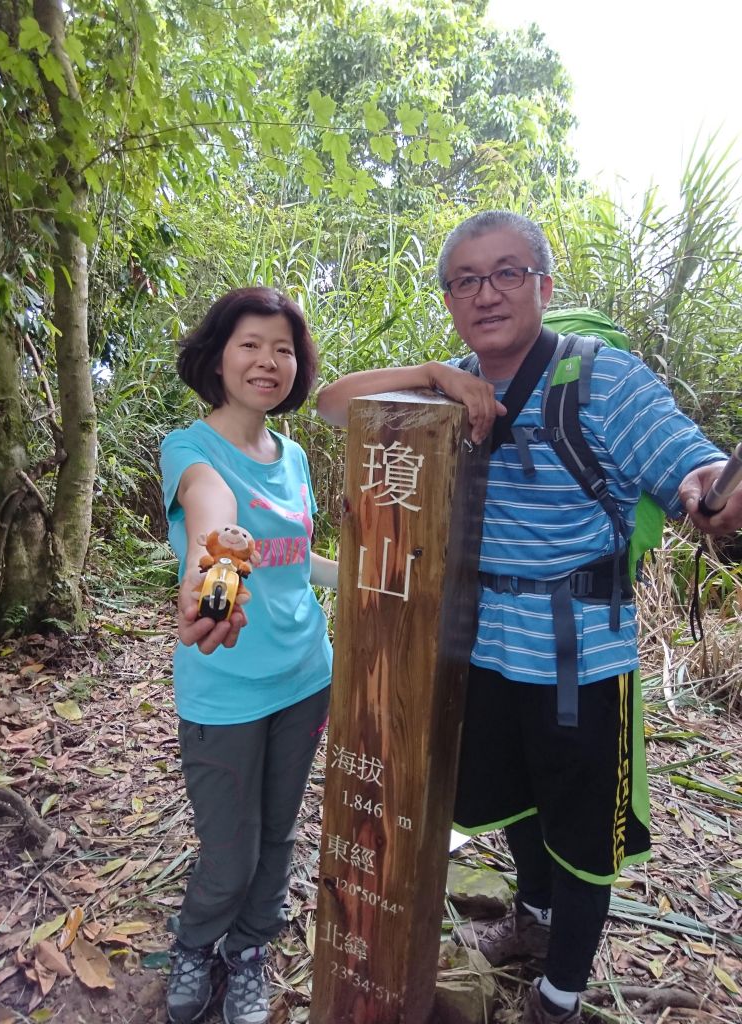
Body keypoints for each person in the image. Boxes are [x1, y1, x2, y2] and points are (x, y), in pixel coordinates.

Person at [316, 210, 742, 1024]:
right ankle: (533, 921)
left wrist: (709, 487)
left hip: (578, 653)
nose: (487, 293)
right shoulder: (448, 380)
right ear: (449, 300)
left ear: (544, 285)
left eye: (508, 273)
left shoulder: (602, 379)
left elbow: (689, 460)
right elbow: (335, 405)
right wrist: (437, 377)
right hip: (481, 644)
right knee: (511, 797)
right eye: (466, 280)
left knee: (582, 833)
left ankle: (561, 996)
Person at [160, 287, 337, 1024]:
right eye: (251, 345)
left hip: (306, 678)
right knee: (229, 852)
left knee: (278, 833)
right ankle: (196, 942)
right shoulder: (190, 449)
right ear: (218, 357)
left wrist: (368, 580)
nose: (268, 361)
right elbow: (215, 513)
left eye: (283, 349)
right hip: (225, 688)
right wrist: (208, 566)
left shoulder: (293, 457)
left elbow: (291, 557)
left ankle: (249, 948)